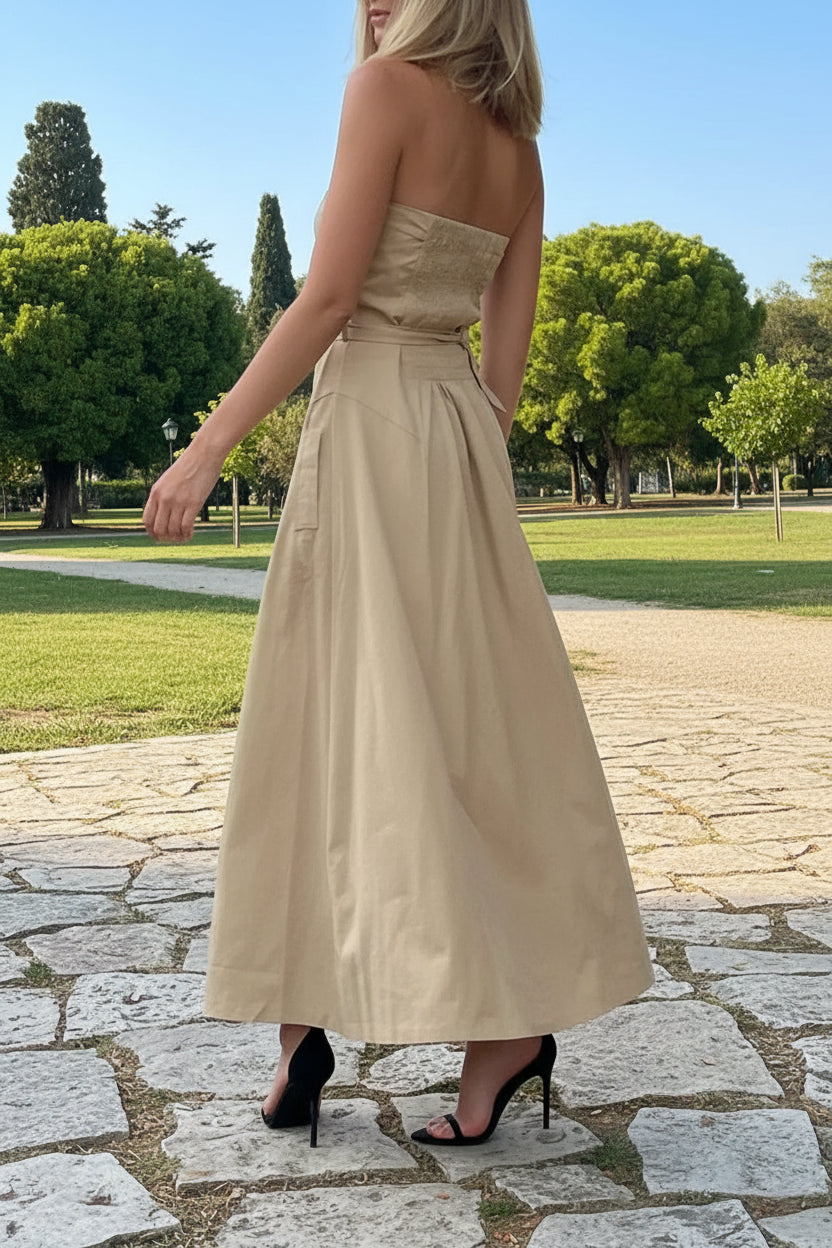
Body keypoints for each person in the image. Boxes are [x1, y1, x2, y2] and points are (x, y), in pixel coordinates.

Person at [143, 0, 655, 1150]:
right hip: (457, 433)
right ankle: (487, 1046)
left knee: (327, 722)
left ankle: (302, 1030)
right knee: (478, 730)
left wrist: (205, 445)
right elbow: (507, 354)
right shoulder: (517, 148)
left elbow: (326, 301)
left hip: (371, 419)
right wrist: (469, 435)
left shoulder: (379, 91)